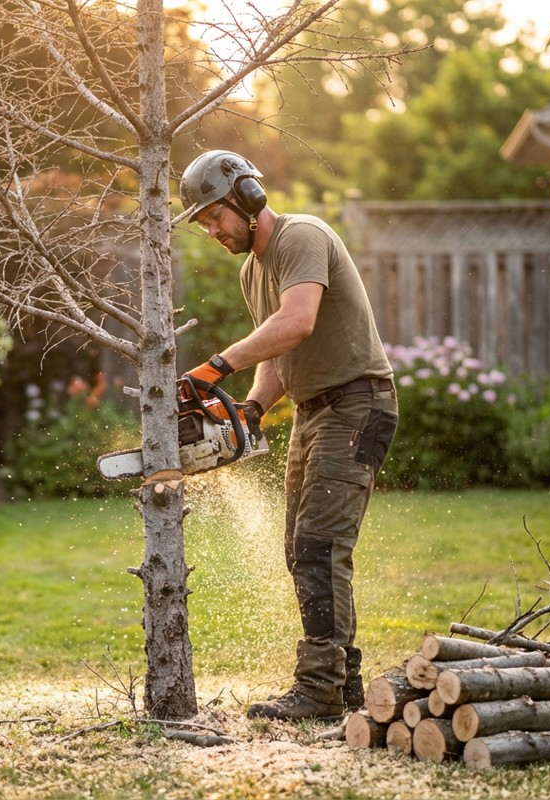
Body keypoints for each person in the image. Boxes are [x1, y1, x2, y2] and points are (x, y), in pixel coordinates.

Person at [178, 150, 399, 721]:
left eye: (213, 217)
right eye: (201, 224)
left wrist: (215, 366)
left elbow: (297, 320)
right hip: (313, 412)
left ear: (246, 198)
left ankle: (320, 689)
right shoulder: (253, 270)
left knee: (319, 547)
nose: (211, 231)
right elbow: (280, 347)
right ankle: (344, 684)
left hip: (357, 403)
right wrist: (250, 409)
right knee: (301, 549)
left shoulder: (302, 236)